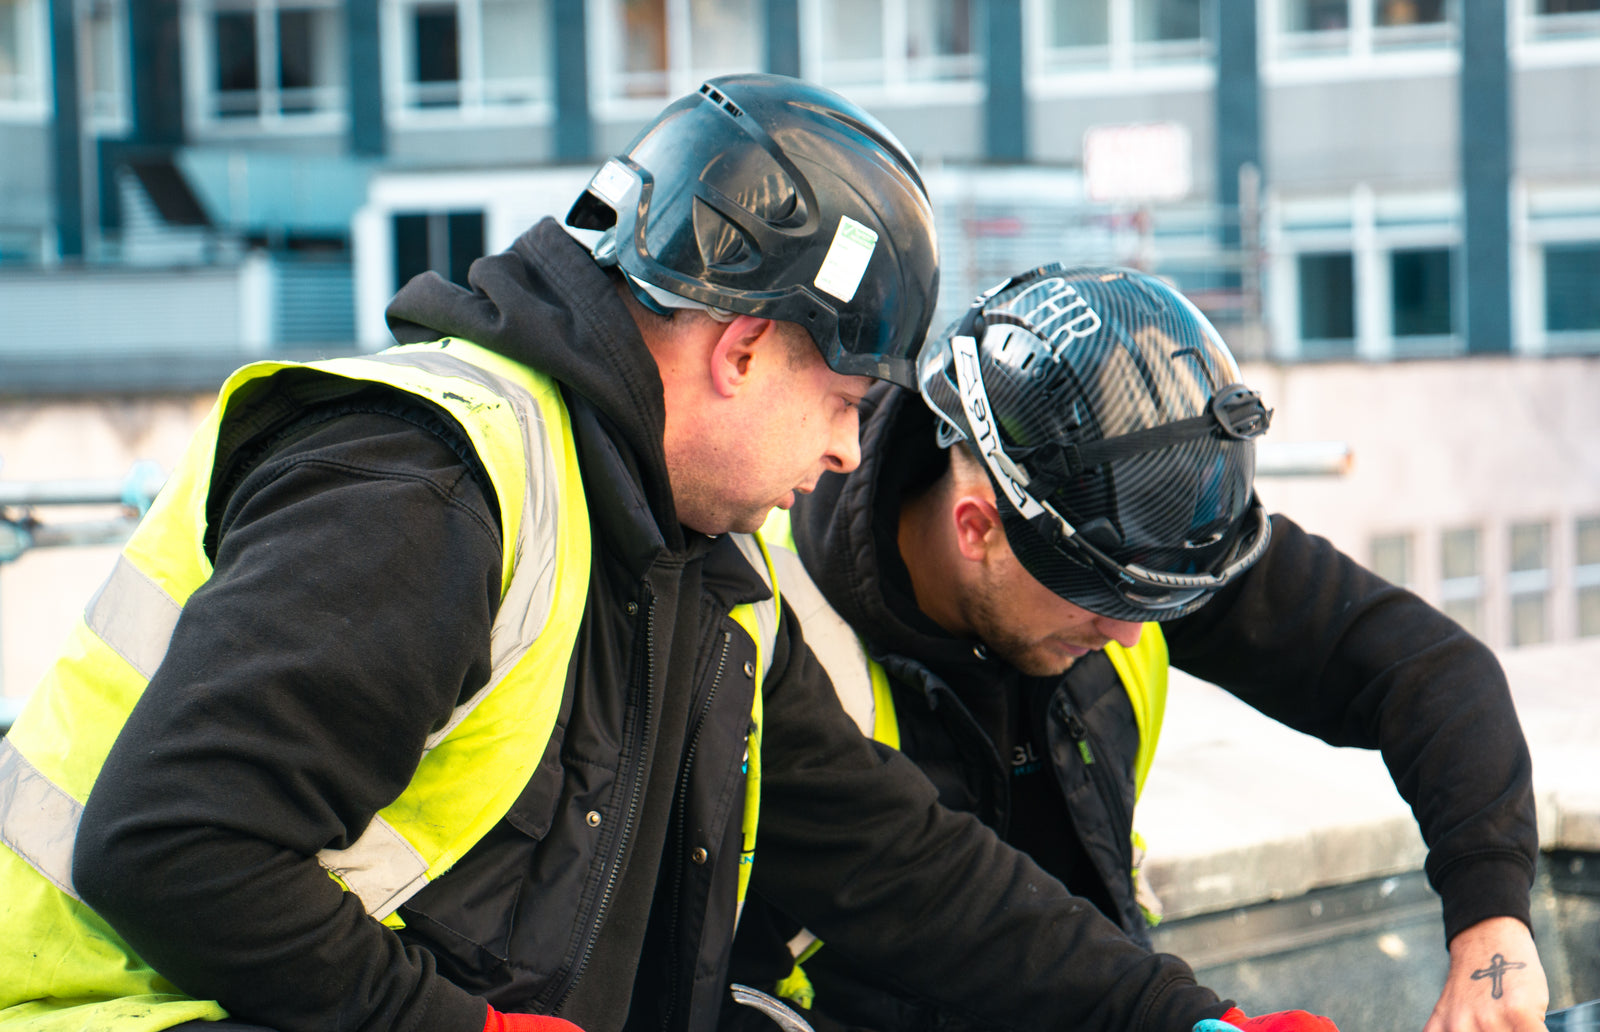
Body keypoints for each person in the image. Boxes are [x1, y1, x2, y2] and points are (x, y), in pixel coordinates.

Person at [0, 76, 1322, 1032]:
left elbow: (893, 859)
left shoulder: (681, 565)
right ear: (746, 350)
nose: (854, 459)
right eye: (847, 404)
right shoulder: (433, 489)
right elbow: (172, 847)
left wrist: (1179, 1018)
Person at [733, 264, 1549, 1032]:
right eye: (1101, 604)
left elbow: (1424, 671)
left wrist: (1491, 920)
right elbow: (944, 898)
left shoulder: (1127, 540)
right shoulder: (774, 624)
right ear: (977, 528)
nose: (1131, 632)